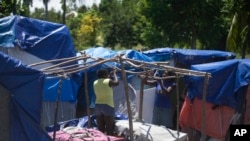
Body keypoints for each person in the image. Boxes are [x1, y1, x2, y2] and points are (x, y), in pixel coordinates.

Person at [93, 68, 119, 135]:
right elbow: (116, 83)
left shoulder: (95, 82)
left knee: (100, 128)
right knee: (109, 127)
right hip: (108, 105)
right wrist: (115, 74)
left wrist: (109, 76)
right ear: (105, 74)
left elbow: (104, 82)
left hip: (98, 105)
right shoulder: (108, 81)